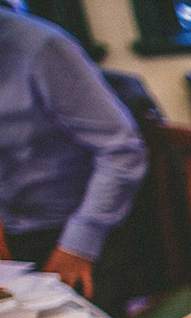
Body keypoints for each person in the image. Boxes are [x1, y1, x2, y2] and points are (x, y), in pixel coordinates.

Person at [0, 3, 148, 302]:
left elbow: (122, 151)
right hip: (13, 231)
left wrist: (78, 246)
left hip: (82, 231)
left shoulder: (42, 47)